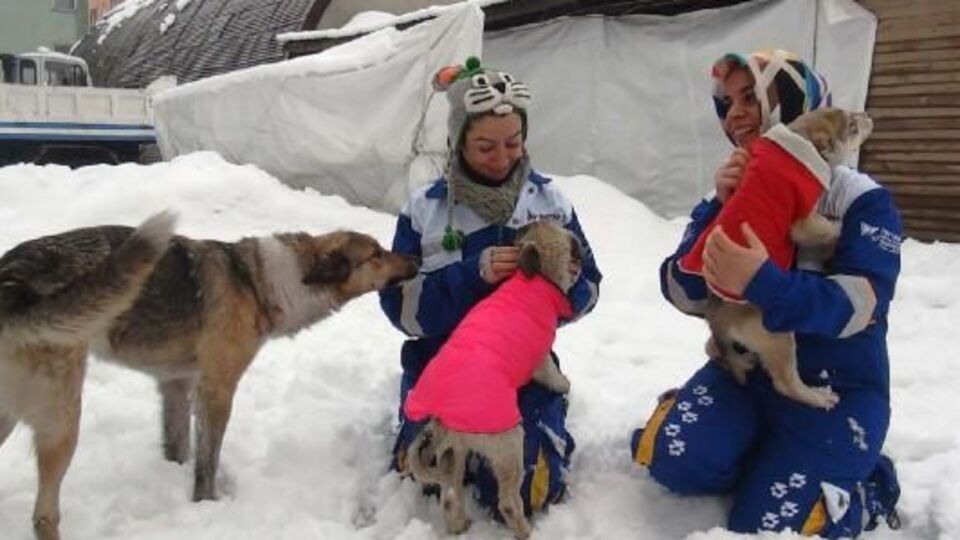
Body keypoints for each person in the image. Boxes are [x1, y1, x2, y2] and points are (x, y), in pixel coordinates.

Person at [630, 49, 903, 537]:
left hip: (837, 387)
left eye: (750, 97)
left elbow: (862, 305)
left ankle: (865, 482)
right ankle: (763, 455)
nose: (733, 113)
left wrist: (763, 281)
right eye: (727, 103)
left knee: (770, 525)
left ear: (798, 106)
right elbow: (683, 292)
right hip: (748, 374)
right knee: (673, 459)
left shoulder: (861, 200)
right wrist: (718, 208)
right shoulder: (739, 193)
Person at [380, 57, 602, 515]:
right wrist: (468, 276)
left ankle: (545, 428)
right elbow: (400, 308)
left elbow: (590, 288)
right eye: (485, 147)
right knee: (425, 470)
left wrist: (553, 286)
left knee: (525, 487)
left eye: (513, 143)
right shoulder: (425, 212)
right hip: (441, 365)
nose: (502, 158)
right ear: (458, 141)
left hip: (522, 366)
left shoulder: (549, 204)